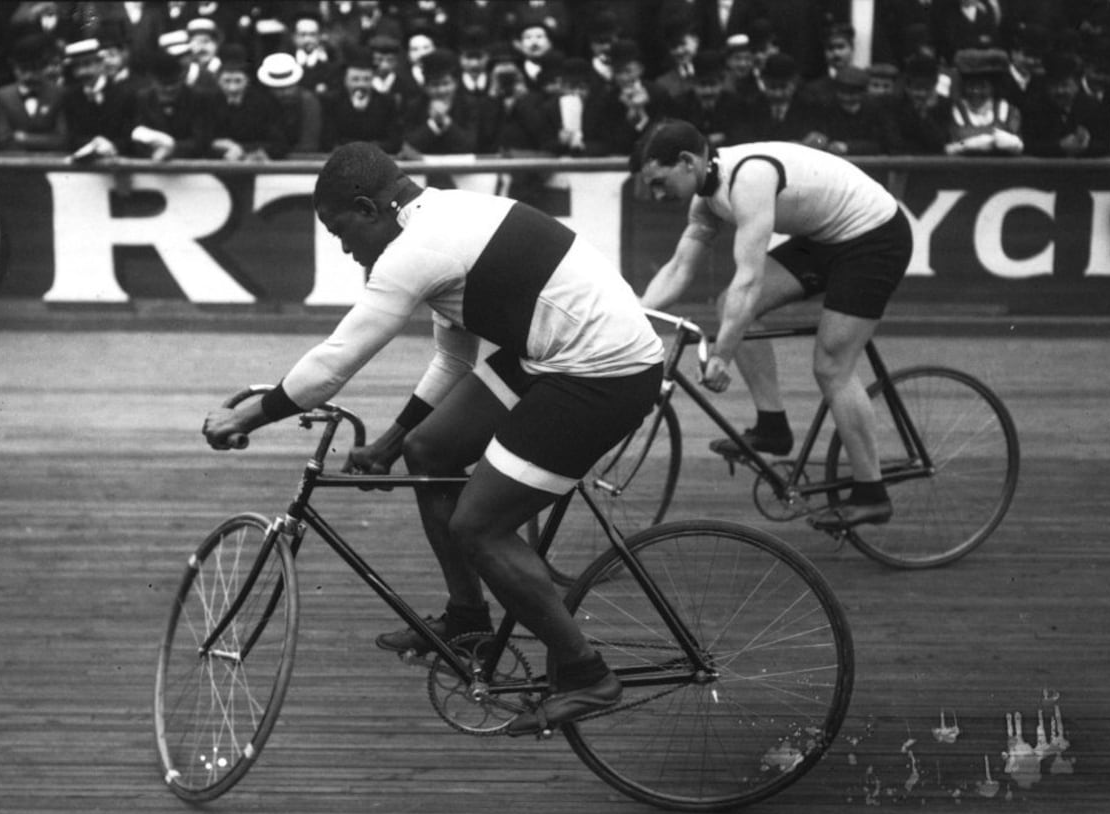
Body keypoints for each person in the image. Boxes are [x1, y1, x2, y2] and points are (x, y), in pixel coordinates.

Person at [201, 142, 665, 735]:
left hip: (603, 373)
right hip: (556, 355)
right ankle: (468, 621)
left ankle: (586, 674)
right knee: (430, 451)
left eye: (342, 232)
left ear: (369, 208)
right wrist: (396, 438)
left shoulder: (416, 250)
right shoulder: (443, 217)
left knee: (480, 526)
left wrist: (249, 418)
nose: (346, 251)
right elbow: (452, 359)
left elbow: (336, 362)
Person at [630, 119, 913, 531]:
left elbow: (751, 278)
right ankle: (773, 427)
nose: (656, 195)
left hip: (874, 238)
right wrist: (637, 314)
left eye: (659, 181)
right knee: (731, 305)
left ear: (688, 162)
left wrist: (723, 355)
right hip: (827, 237)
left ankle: (872, 493)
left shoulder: (749, 180)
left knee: (832, 365)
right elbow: (678, 269)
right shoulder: (706, 198)